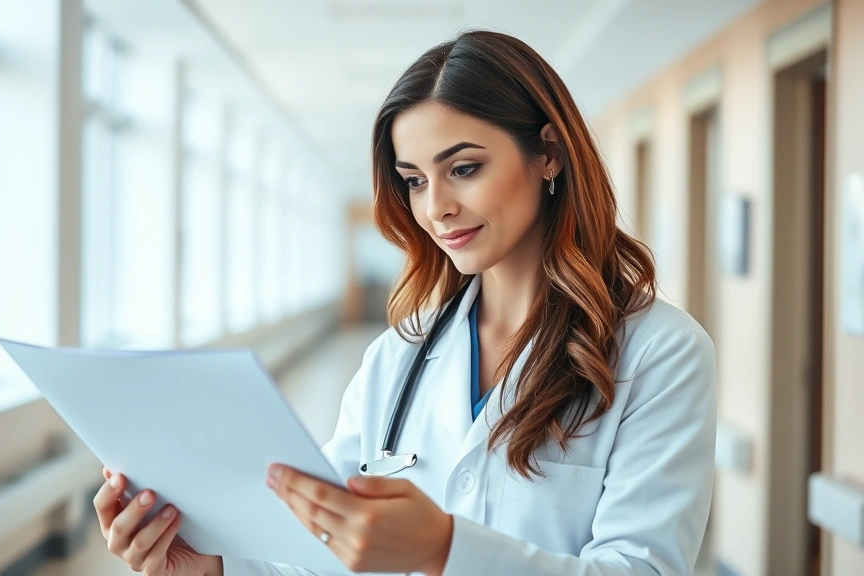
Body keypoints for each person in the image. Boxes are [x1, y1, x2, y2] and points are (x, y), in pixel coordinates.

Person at [92, 30, 716, 576]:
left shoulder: (660, 353)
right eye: (415, 179)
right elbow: (323, 552)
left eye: (464, 168)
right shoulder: (399, 357)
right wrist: (213, 568)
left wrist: (447, 549)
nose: (435, 206)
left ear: (548, 153)